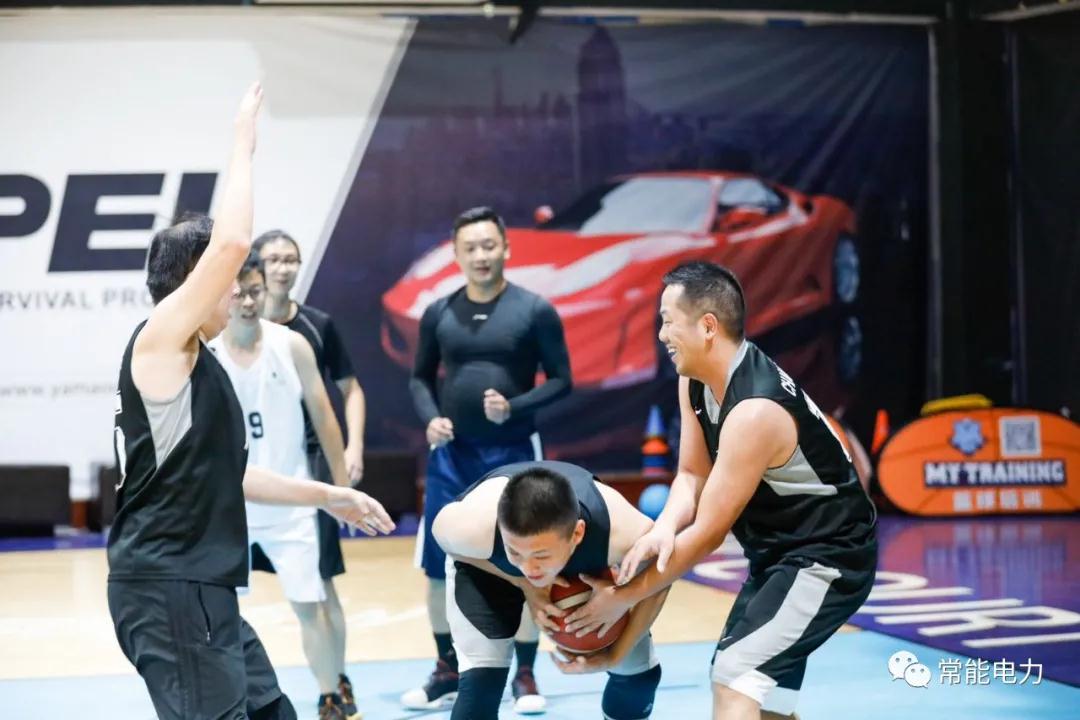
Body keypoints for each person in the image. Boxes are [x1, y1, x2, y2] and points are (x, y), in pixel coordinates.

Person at [106, 83, 395, 720]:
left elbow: (227, 473)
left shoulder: (195, 360)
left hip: (202, 589)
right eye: (227, 278)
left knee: (273, 712)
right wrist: (243, 139)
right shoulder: (160, 340)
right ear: (196, 279)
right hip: (170, 588)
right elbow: (234, 242)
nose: (238, 290)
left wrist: (328, 494)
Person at [558, 261, 878, 720]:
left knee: (735, 673)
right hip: (779, 556)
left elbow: (708, 534)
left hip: (827, 560)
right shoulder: (696, 378)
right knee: (767, 705)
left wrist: (623, 597)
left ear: (707, 326)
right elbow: (692, 474)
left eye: (668, 321)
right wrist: (663, 528)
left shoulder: (754, 412)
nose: (662, 334)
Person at [403, 206, 574, 713]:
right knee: (439, 566)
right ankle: (447, 669)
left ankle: (525, 674)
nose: (480, 255)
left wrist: (514, 408)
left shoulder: (535, 310)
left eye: (489, 245)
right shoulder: (439, 312)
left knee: (524, 564)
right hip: (451, 457)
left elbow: (562, 380)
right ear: (456, 255)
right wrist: (431, 418)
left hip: (514, 457)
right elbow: (419, 378)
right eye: (470, 248)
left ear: (506, 248)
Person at [208, 254, 362, 720]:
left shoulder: (292, 345)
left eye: (255, 291)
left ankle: (330, 695)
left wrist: (342, 491)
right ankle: (228, 701)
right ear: (223, 295)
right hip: (231, 509)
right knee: (219, 615)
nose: (248, 301)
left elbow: (325, 417)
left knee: (311, 606)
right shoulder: (207, 353)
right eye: (238, 293)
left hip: (292, 504)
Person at [432, 460, 667, 720]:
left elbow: (663, 573)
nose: (529, 567)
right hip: (492, 568)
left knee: (639, 678)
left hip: (583, 562)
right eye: (515, 551)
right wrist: (522, 582)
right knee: (480, 687)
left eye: (541, 555)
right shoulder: (471, 527)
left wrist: (621, 614)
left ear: (577, 534)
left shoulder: (624, 533)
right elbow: (446, 542)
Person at [252, 228, 368, 712]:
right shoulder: (233, 329)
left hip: (309, 464)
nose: (283, 268)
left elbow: (349, 390)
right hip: (250, 471)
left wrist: (352, 449)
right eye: (274, 260)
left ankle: (335, 684)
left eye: (291, 259)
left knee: (320, 586)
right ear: (255, 268)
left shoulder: (315, 328)